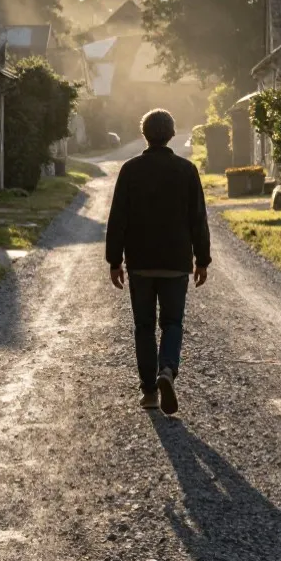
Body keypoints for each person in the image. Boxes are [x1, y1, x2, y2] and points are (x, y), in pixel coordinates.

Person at [105, 108, 211, 414]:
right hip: (176, 261)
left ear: (144, 134)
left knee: (144, 326)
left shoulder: (130, 170)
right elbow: (198, 219)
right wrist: (202, 260)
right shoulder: (187, 170)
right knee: (172, 322)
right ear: (172, 134)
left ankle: (150, 392)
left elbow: (118, 219)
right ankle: (167, 369)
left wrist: (114, 260)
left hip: (140, 262)